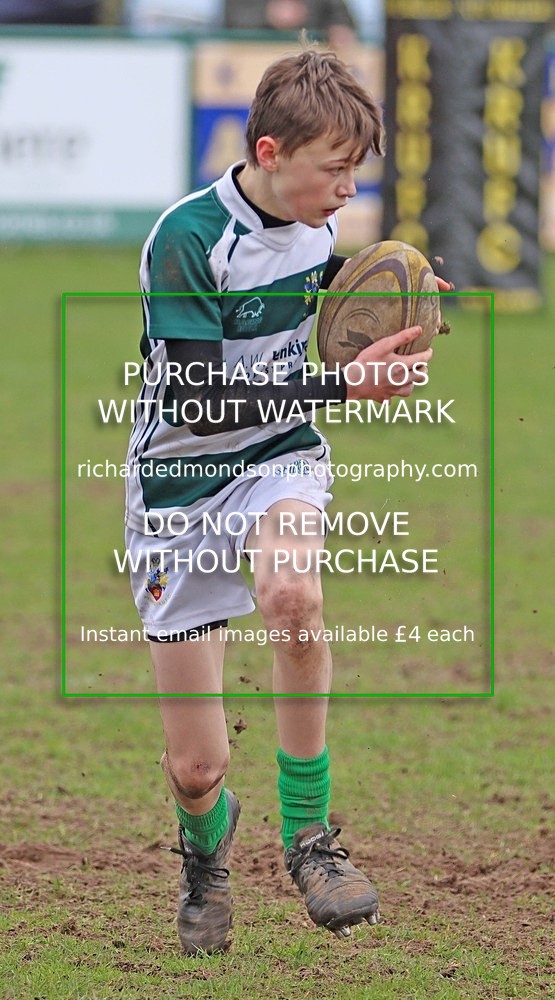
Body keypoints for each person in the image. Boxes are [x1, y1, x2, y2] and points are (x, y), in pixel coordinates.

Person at [125, 45, 443, 955]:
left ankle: (310, 838)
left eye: (356, 170)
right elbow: (195, 400)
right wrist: (344, 385)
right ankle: (204, 859)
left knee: (293, 595)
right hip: (178, 489)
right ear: (269, 152)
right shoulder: (187, 239)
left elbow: (325, 288)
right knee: (197, 767)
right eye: (333, 169)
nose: (347, 189)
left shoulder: (315, 228)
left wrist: (400, 306)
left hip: (278, 458)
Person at [223, 0, 357, 49]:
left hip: (310, 68)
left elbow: (339, 14)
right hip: (252, 64)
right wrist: (268, 15)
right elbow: (232, 19)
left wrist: (339, 26)